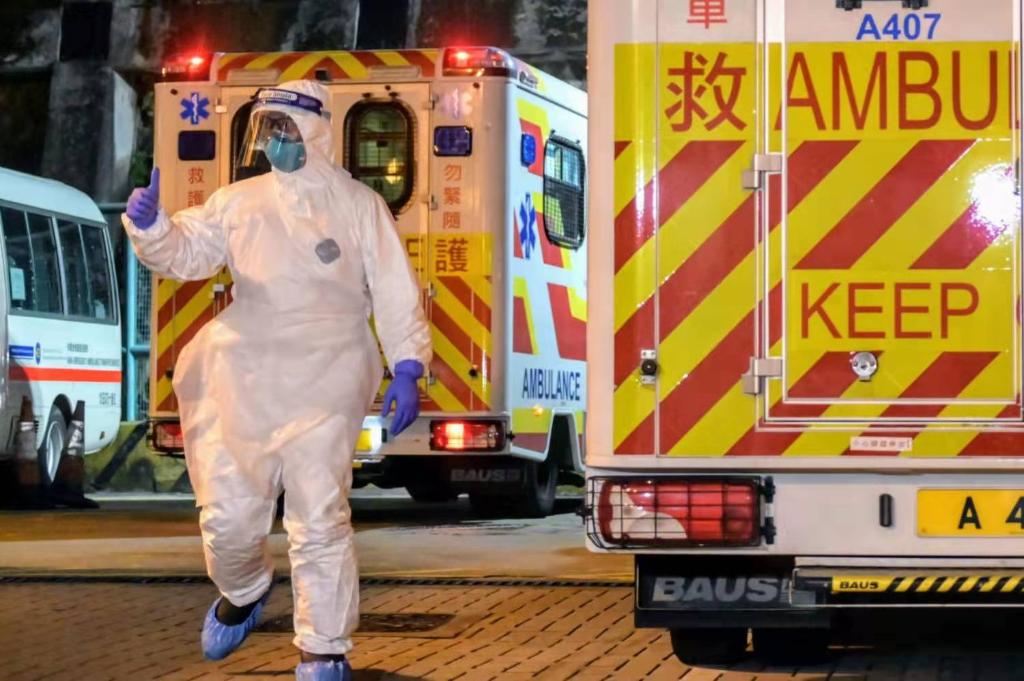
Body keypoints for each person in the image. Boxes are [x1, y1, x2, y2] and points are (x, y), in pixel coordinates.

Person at [123, 80, 431, 681]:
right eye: (267, 129)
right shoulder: (238, 202)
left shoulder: (360, 206)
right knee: (228, 517)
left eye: (285, 128)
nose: (274, 141)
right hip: (247, 373)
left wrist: (408, 365)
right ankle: (243, 589)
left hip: (330, 371)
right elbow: (187, 254)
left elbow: (395, 290)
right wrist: (153, 226)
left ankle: (323, 648)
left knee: (319, 514)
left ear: (314, 132)